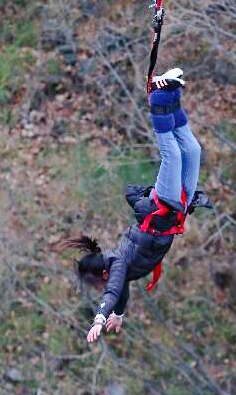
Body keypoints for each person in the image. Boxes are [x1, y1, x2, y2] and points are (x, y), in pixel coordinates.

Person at [56, 68, 210, 344]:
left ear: (101, 273)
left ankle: (157, 98)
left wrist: (100, 318)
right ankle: (171, 96)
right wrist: (120, 314)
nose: (104, 285)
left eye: (100, 282)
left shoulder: (117, 263)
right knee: (193, 151)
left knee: (172, 156)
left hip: (162, 207)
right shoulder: (121, 268)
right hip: (176, 211)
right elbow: (121, 291)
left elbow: (113, 290)